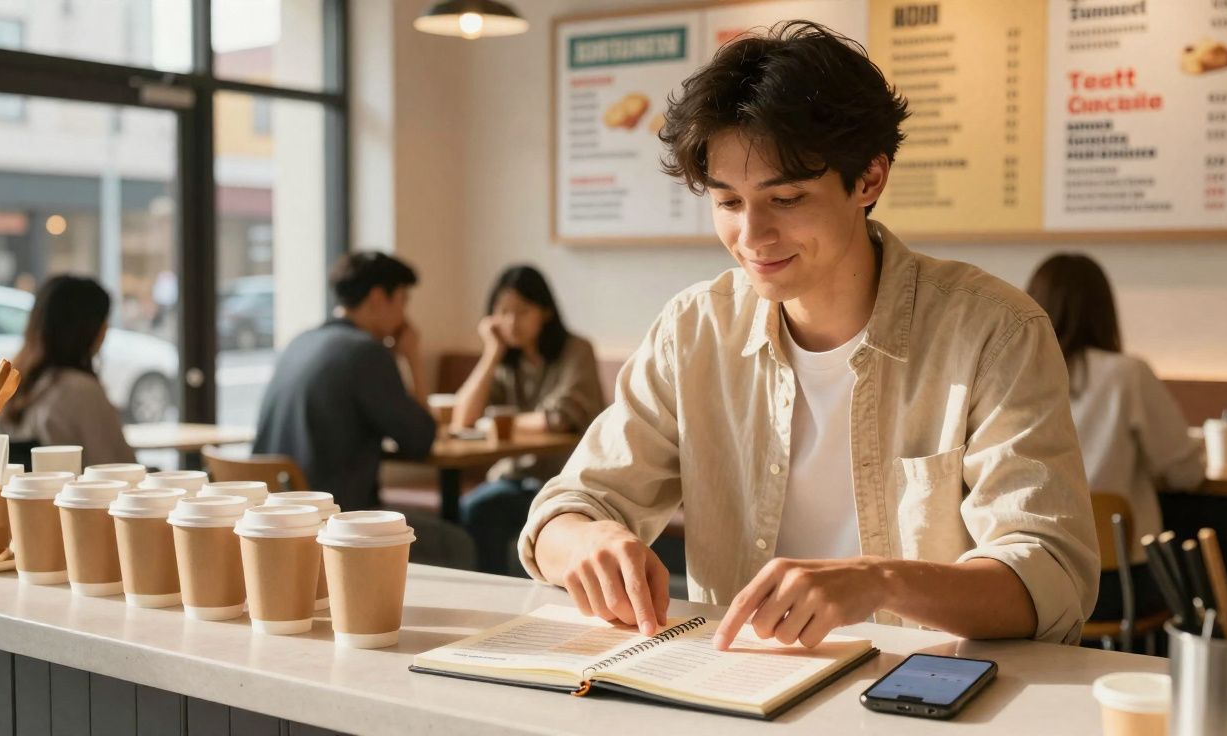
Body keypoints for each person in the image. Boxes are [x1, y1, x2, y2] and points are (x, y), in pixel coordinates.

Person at [518, 21, 1099, 648]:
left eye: (787, 198)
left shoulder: (994, 332)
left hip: (929, 696)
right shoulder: (693, 331)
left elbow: (1052, 577)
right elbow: (567, 508)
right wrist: (588, 539)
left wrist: (879, 581)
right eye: (729, 203)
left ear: (869, 180)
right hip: (735, 689)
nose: (752, 237)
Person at [1027, 253, 1203, 622]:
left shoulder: (1017, 373)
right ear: (1103, 309)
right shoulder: (1127, 375)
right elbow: (1184, 473)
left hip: (1034, 583)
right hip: (1121, 585)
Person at [253, 252, 436, 513]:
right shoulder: (366, 353)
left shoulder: (300, 342)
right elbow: (420, 440)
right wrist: (413, 358)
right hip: (337, 524)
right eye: (402, 301)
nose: (404, 317)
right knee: (457, 543)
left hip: (276, 518)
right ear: (377, 298)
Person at [452, 265, 605, 575]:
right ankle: (491, 594)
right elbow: (462, 419)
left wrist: (495, 421)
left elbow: (560, 418)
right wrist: (491, 353)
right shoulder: (506, 362)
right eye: (502, 311)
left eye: (521, 311)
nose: (511, 322)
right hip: (512, 479)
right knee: (475, 509)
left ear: (545, 311)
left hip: (564, 481)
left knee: (488, 510)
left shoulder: (576, 350)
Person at [0, 275, 136, 466]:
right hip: (83, 494)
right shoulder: (81, 390)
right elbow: (119, 469)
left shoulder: (12, 386)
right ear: (89, 330)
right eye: (104, 322)